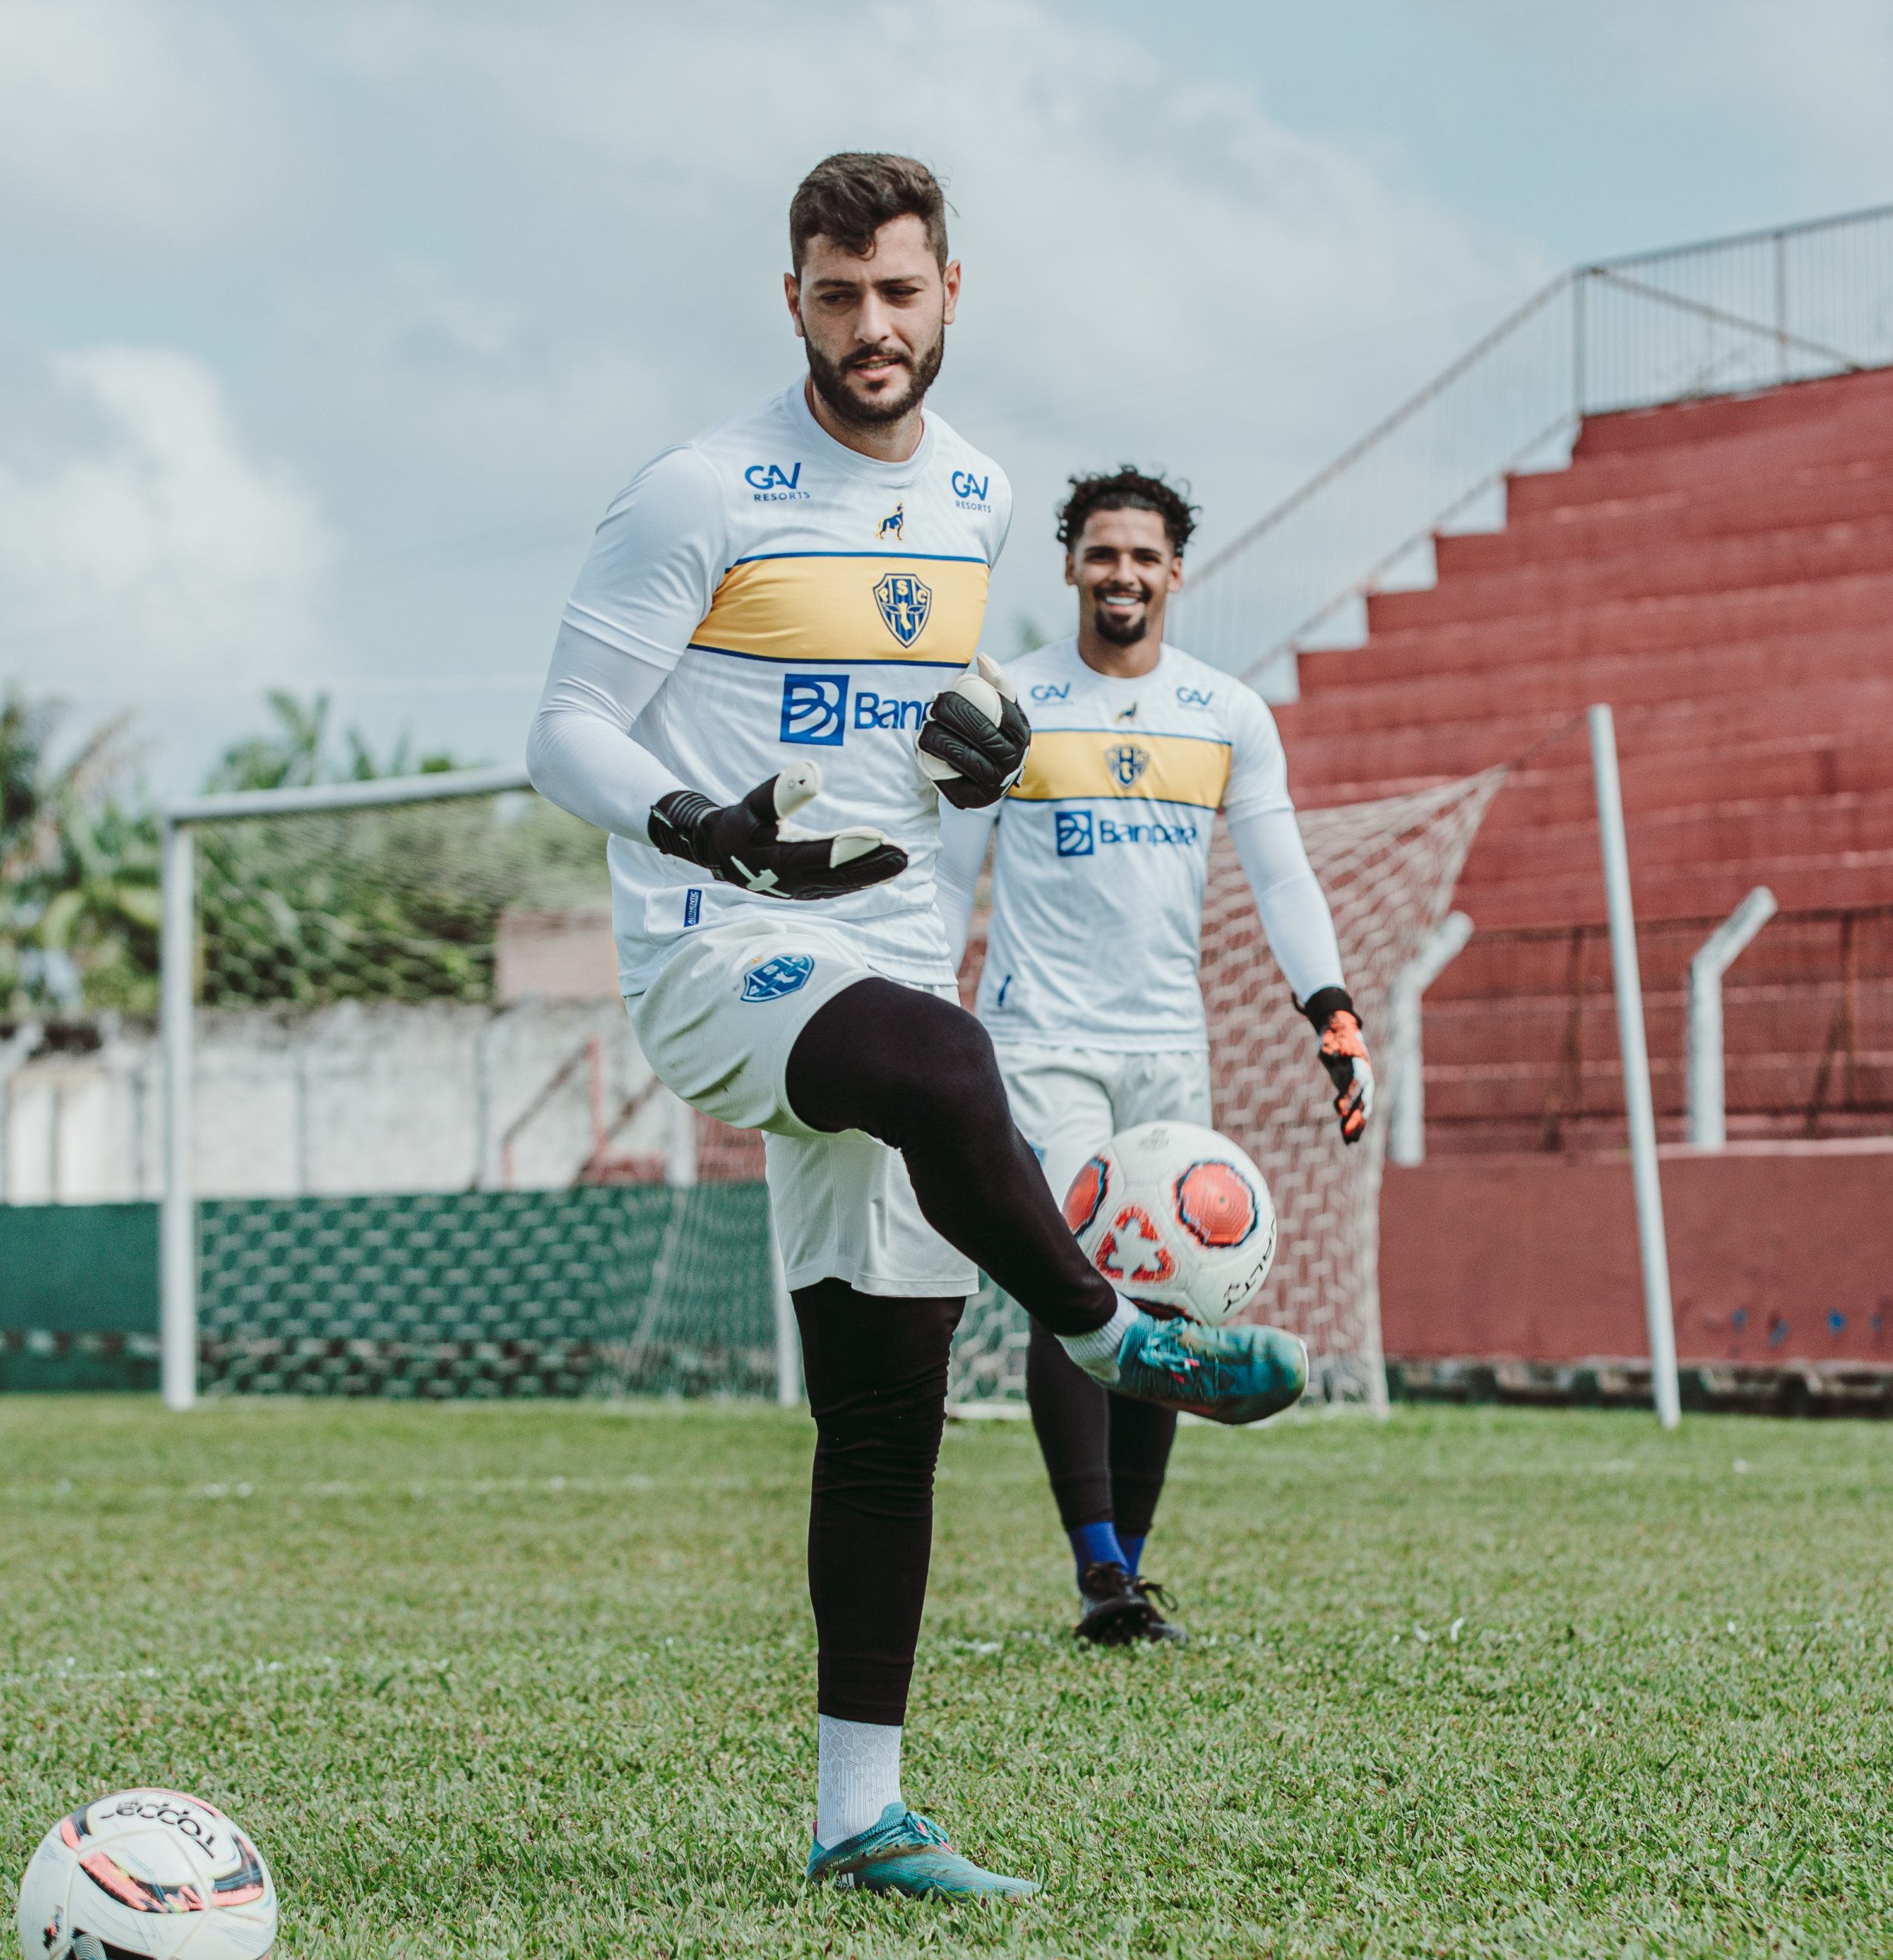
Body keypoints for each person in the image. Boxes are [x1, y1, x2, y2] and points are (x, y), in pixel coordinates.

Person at [526, 160, 1310, 1898]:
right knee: (953, 1071)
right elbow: (565, 724)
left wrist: (981, 744)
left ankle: (857, 1816)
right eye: (832, 295)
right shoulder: (697, 490)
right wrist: (695, 820)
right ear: (788, 297)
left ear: (952, 288)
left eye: (894, 292)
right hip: (719, 947)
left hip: (885, 951)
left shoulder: (970, 493)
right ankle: (1112, 1332)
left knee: (880, 1413)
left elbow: (926, 717)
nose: (868, 328)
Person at [936, 466, 1373, 1648]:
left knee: (1167, 1296)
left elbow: (1279, 871)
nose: (1122, 574)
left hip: (1169, 1052)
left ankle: (1128, 1572)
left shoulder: (1226, 713)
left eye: (1145, 556)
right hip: (1040, 1045)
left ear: (1177, 571)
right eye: (1101, 552)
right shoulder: (1007, 701)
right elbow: (948, 872)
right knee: (1080, 1275)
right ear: (1070, 562)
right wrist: (924, 1005)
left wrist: (1328, 1006)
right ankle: (1099, 1574)